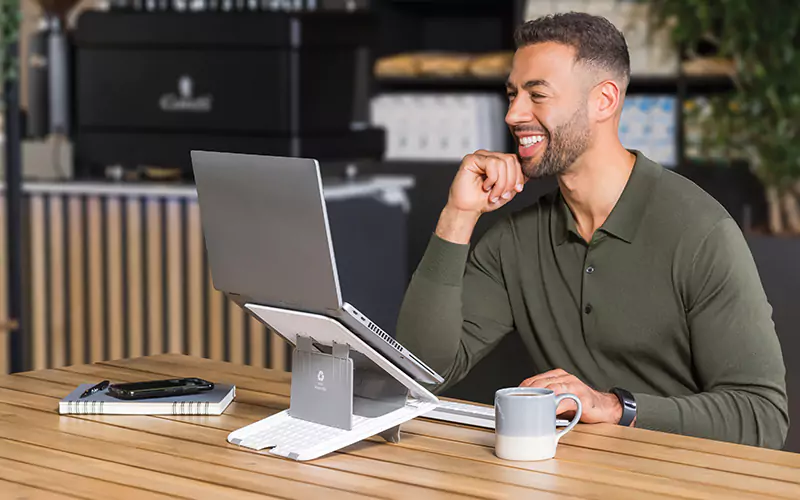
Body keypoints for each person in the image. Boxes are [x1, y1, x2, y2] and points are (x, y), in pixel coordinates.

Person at [395, 12, 789, 449]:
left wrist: (615, 407)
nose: (513, 114)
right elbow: (420, 373)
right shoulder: (515, 240)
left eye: (537, 95)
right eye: (512, 94)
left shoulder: (702, 233)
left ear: (604, 100)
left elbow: (763, 417)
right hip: (573, 472)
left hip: (685, 475)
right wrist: (459, 213)